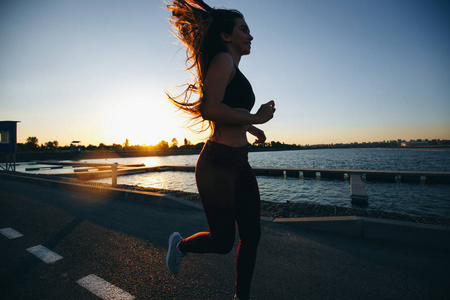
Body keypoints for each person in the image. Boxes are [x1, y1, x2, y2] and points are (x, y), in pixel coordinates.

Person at [165, 1, 275, 299]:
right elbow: (210, 108)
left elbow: (227, 108)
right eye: (244, 30)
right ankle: (181, 245)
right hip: (217, 165)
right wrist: (255, 118)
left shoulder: (233, 68)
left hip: (240, 162)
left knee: (252, 236)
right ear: (226, 36)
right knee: (224, 242)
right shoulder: (223, 61)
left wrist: (251, 128)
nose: (250, 36)